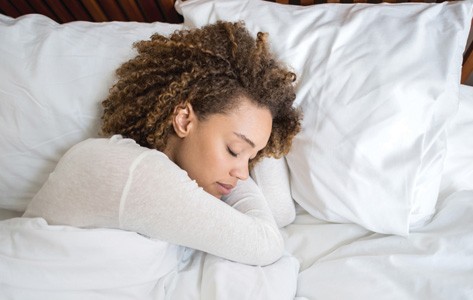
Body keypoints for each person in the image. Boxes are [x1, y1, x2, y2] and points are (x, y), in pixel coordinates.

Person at [23, 21, 301, 266]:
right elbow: (264, 243)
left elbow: (279, 213)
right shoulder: (132, 171)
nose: (243, 173)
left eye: (251, 160)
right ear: (183, 120)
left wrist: (260, 126)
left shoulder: (172, 176)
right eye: (234, 150)